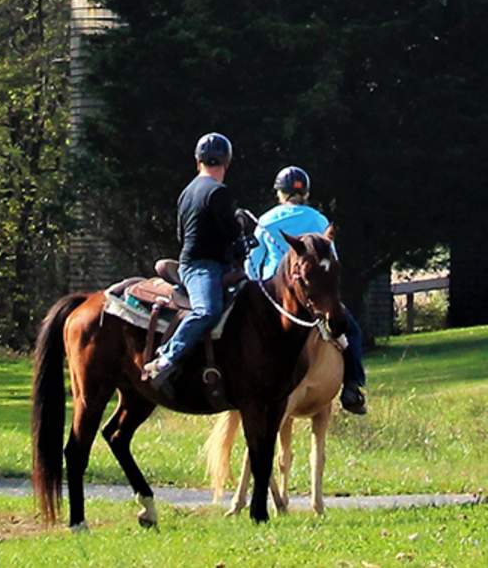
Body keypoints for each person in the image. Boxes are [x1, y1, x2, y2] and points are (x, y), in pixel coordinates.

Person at [245, 165, 367, 415]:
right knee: (351, 332)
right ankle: (352, 387)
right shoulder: (319, 220)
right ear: (306, 193)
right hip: (313, 297)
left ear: (279, 193)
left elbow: (252, 265)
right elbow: (330, 262)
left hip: (275, 298)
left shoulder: (266, 221)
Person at [142, 132, 240, 387]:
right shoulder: (219, 192)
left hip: (193, 262)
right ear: (226, 162)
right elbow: (231, 234)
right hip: (203, 267)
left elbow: (181, 234)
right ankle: (166, 357)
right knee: (208, 310)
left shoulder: (187, 192)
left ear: (198, 161)